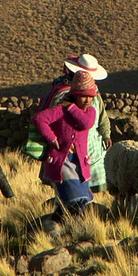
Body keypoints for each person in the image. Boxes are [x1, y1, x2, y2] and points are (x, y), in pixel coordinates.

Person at [33, 71, 97, 234]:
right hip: (62, 162)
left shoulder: (90, 112)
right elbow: (39, 119)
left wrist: (71, 107)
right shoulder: (59, 112)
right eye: (83, 96)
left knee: (74, 201)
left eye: (90, 97)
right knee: (73, 197)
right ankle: (77, 232)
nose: (87, 100)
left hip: (80, 163)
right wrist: (52, 138)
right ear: (75, 94)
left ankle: (53, 228)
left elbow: (85, 123)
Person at [40, 54, 112, 193]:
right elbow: (49, 120)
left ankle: (87, 213)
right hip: (69, 150)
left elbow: (102, 117)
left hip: (92, 149)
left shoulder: (95, 96)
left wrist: (106, 134)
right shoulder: (62, 96)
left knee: (86, 191)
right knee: (70, 189)